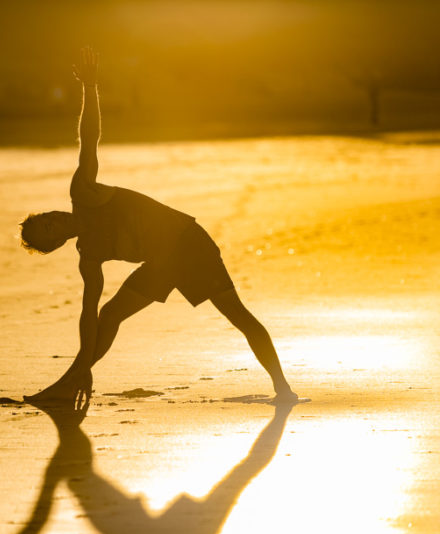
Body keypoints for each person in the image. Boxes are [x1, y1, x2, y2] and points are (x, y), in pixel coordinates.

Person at [20, 47, 297, 407]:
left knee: (237, 314)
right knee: (109, 314)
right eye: (49, 230)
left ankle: (283, 389)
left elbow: (90, 138)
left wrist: (91, 87)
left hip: (188, 243)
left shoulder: (84, 192)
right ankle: (71, 379)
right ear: (56, 244)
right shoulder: (88, 256)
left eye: (46, 218)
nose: (54, 221)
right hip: (162, 263)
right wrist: (85, 364)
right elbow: (88, 314)